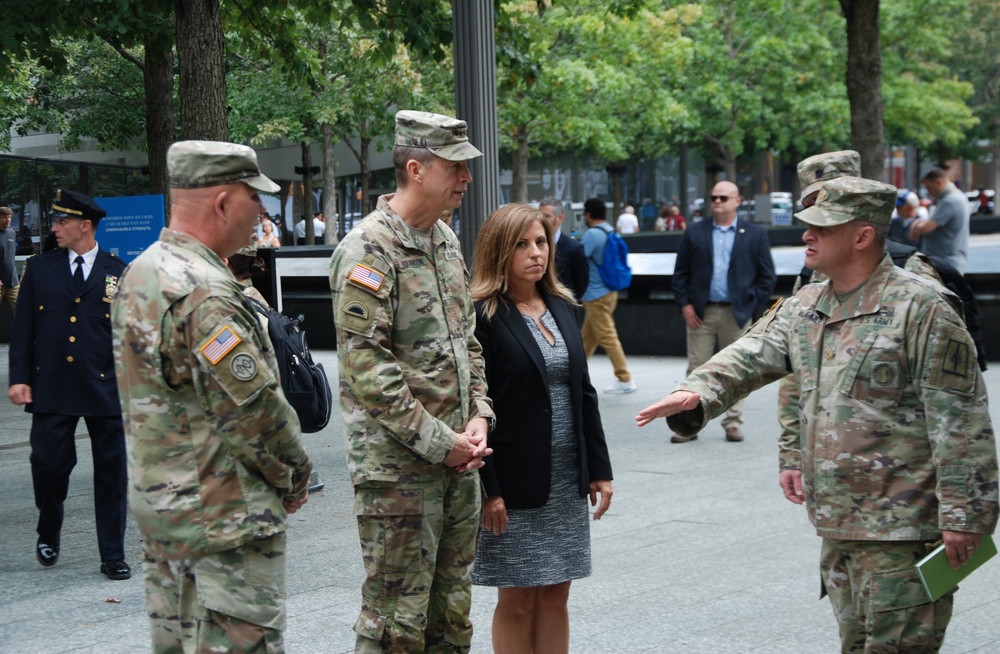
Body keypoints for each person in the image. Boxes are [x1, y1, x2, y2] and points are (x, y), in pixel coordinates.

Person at [637, 176, 998, 653]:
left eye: (820, 228)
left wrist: (966, 516)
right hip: (839, 524)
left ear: (862, 236)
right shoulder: (806, 304)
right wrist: (697, 392)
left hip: (904, 528)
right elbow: (750, 353)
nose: (805, 235)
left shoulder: (923, 307)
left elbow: (961, 421)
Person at [111, 141, 313, 653]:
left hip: (168, 517)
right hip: (224, 524)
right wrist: (296, 476)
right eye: (254, 199)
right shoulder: (207, 292)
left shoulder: (140, 274)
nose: (262, 214)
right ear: (223, 203)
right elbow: (255, 413)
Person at [329, 110, 496, 653]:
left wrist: (478, 417)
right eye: (457, 167)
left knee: (451, 612)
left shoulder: (444, 239)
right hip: (398, 473)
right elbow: (367, 369)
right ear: (417, 168)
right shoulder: (367, 249)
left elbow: (467, 341)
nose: (467, 178)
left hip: (458, 462)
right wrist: (441, 444)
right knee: (394, 619)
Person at [469, 203, 613, 654]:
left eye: (541, 242)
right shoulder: (482, 315)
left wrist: (598, 468)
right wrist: (488, 489)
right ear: (497, 250)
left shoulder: (563, 307)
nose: (536, 253)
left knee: (556, 592)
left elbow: (583, 394)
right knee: (517, 598)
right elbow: (471, 405)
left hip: (566, 478)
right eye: (521, 244)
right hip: (512, 480)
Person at [7, 189, 130, 580]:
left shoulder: (118, 271)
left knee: (113, 474)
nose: (54, 228)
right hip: (53, 387)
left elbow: (130, 337)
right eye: (55, 221)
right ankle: (49, 527)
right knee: (47, 465)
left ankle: (112, 552)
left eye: (61, 222)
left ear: (85, 225)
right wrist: (20, 378)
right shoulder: (40, 269)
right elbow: (23, 328)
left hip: (105, 387)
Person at [670, 180, 775, 443]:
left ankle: (733, 423)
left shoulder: (754, 234)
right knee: (696, 370)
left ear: (737, 202)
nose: (717, 201)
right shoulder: (695, 232)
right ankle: (690, 423)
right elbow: (681, 273)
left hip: (737, 313)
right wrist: (685, 304)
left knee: (737, 371)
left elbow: (766, 276)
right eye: (714, 197)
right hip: (700, 314)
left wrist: (754, 309)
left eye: (724, 198)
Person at [580, 197, 636, 394]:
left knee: (607, 336)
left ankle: (625, 378)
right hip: (610, 291)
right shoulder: (610, 230)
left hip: (595, 295)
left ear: (588, 215)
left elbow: (579, 259)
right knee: (587, 337)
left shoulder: (592, 235)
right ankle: (574, 373)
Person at [912, 167, 970, 274]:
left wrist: (916, 225)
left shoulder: (950, 201)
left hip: (944, 264)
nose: (929, 192)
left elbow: (926, 228)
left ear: (939, 182)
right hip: (949, 262)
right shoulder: (958, 197)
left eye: (929, 188)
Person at [539, 198, 588, 301]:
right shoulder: (534, 247)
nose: (541, 220)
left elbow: (581, 284)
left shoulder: (574, 248)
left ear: (560, 218)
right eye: (539, 216)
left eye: (546, 216)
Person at [0, 206, 19, 316]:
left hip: (13, 282)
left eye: (9, 217)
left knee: (21, 311)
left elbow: (10, 257)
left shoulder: (12, 233)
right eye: (4, 217)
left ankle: (23, 333)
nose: (7, 220)